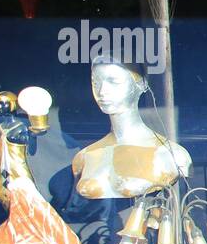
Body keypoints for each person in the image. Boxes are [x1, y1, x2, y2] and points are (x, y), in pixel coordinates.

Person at [71, 56, 191, 199]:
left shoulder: (172, 155)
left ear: (141, 84)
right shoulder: (84, 157)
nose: (102, 91)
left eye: (113, 82)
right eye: (96, 82)